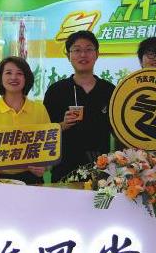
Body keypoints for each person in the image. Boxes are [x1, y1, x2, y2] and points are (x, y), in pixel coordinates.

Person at [44, 31, 115, 182]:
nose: (83, 55)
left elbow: (118, 130)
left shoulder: (109, 90)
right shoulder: (56, 91)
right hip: (64, 170)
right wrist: (62, 125)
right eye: (77, 50)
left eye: (89, 49)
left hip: (101, 172)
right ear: (68, 56)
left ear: (97, 54)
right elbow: (44, 133)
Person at [0, 56, 51, 185]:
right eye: (8, 73)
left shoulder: (39, 109)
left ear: (26, 78)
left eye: (19, 73)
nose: (13, 77)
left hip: (32, 179)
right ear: (0, 78)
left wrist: (44, 166)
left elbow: (49, 147)